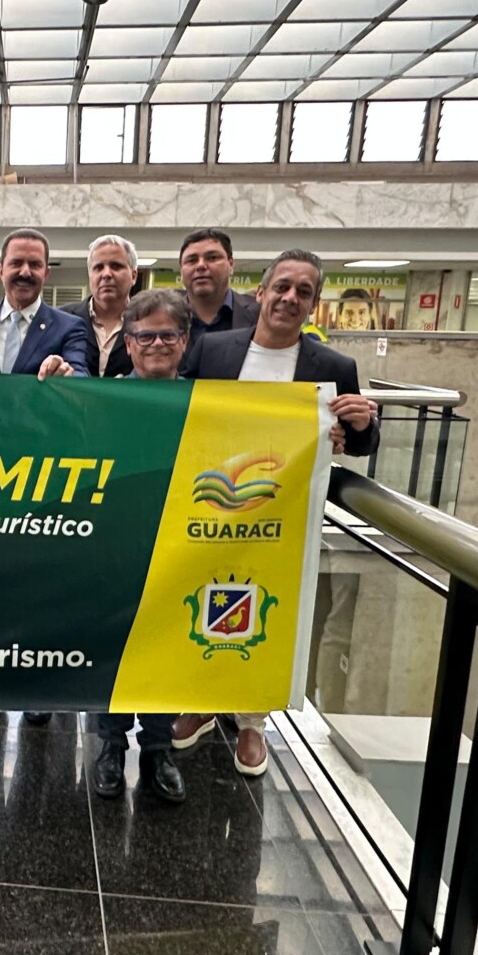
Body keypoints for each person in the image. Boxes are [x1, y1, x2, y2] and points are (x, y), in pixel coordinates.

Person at [173, 247, 379, 776]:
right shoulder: (214, 349)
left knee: (269, 612)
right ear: (260, 292)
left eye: (303, 292)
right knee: (202, 598)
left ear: (313, 305)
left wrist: (357, 424)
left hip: (284, 516)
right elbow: (177, 408)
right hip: (212, 505)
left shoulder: (333, 367)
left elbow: (361, 444)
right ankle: (200, 700)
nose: (290, 298)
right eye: (282, 287)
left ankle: (252, 721)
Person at [92, 289, 194, 804]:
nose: (157, 344)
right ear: (128, 344)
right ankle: (110, 747)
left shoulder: (207, 403)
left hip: (177, 545)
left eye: (167, 335)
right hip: (114, 546)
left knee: (164, 648)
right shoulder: (105, 398)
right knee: (111, 645)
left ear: (184, 341)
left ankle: (158, 750)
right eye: (145, 336)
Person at [0, 228, 89, 379]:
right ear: (1, 271)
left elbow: (79, 374)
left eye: (35, 265)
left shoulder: (69, 327)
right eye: (16, 263)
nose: (25, 272)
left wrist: (65, 372)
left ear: (46, 274)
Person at [60, 234, 138, 377]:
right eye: (98, 267)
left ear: (134, 276)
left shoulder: (148, 322)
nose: (106, 274)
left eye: (116, 266)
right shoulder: (61, 319)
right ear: (90, 275)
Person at [177, 228, 260, 345]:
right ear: (181, 270)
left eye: (212, 258)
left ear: (231, 265)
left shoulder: (260, 314)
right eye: (192, 260)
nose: (201, 265)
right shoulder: (162, 315)